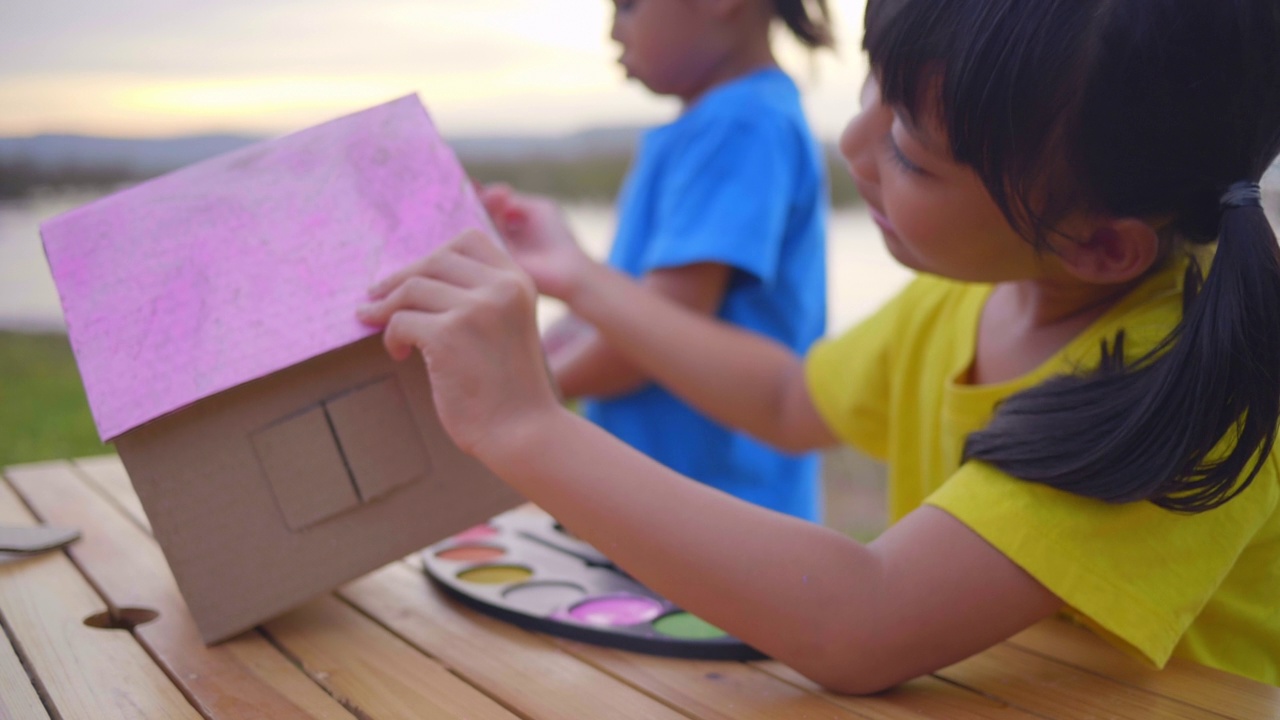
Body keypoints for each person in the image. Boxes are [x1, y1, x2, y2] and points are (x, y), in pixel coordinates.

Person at [358, 0, 1280, 692]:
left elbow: (863, 624)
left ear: (1101, 241)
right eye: (875, 88)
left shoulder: (1185, 383)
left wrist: (524, 423)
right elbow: (790, 402)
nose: (852, 141)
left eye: (913, 155)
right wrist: (582, 277)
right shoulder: (974, 301)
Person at [480, 0, 834, 521]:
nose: (613, 32)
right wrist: (524, 354)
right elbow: (621, 311)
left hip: (717, 512)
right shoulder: (714, 125)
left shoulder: (739, 125)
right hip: (677, 506)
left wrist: (516, 396)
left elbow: (645, 344)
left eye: (628, 6)